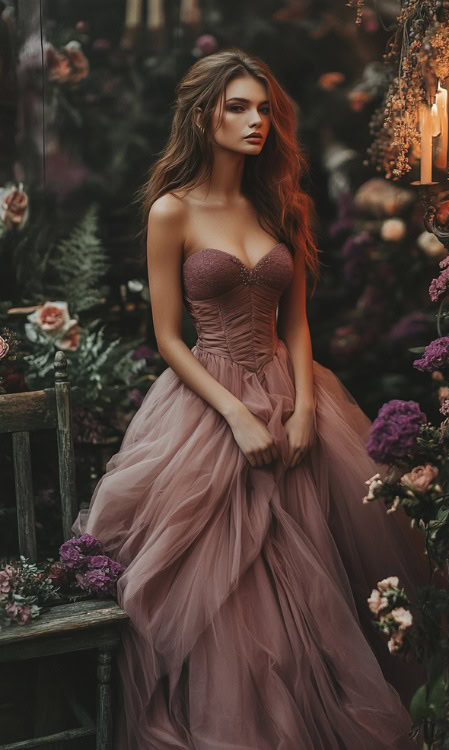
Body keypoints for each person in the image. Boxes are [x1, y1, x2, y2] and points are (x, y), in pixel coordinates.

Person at [73, 48, 429, 750]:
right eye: (237, 106)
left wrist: (299, 407)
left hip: (292, 390)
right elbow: (168, 337)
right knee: (226, 588)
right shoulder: (172, 210)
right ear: (203, 117)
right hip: (205, 399)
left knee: (317, 571)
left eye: (263, 108)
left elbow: (296, 323)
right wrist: (234, 412)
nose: (255, 119)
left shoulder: (280, 204)